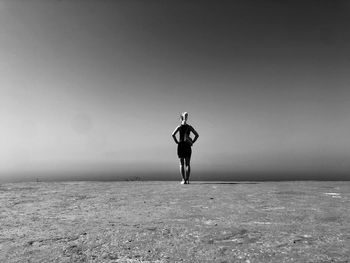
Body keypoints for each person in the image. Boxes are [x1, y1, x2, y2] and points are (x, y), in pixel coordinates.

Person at [172, 112, 199, 184]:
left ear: (181, 118)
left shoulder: (179, 127)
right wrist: (192, 142)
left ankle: (183, 180)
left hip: (180, 145)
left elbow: (173, 135)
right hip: (187, 145)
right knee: (187, 164)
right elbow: (197, 135)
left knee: (181, 164)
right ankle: (187, 180)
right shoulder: (189, 127)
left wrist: (176, 142)